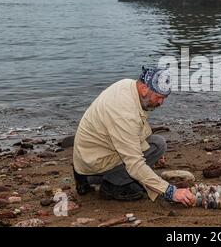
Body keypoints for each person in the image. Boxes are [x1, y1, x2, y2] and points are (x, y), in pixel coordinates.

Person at [72, 67, 195, 207]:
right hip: (93, 160)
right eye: (159, 97)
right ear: (144, 88)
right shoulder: (123, 113)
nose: (161, 103)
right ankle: (108, 185)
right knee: (139, 173)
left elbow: (137, 126)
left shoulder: (128, 86)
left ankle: (93, 177)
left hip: (90, 152)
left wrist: (147, 151)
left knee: (158, 144)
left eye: (164, 98)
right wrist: (170, 192)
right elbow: (135, 164)